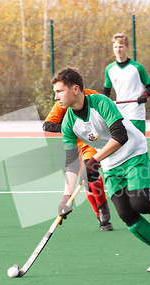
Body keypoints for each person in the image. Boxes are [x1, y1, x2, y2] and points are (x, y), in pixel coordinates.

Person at [53, 67, 150, 272]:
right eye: (55, 93)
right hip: (111, 164)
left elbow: (120, 136)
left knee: (141, 203)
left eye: (59, 91)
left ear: (75, 89)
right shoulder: (68, 123)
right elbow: (71, 163)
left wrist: (94, 160)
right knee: (127, 214)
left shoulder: (100, 103)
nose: (56, 97)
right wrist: (66, 197)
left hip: (133, 152)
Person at [103, 33, 150, 194]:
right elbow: (106, 92)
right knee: (122, 149)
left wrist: (144, 96)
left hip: (135, 113)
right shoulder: (109, 69)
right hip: (119, 113)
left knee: (137, 148)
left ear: (127, 48)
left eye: (121, 47)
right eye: (115, 47)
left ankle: (149, 183)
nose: (118, 50)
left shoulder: (137, 68)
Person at [43, 89, 113, 231]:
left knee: (90, 173)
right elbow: (47, 125)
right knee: (86, 182)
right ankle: (99, 215)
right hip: (76, 144)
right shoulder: (63, 102)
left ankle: (103, 206)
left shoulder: (94, 96)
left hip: (94, 143)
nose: (58, 96)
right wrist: (72, 126)